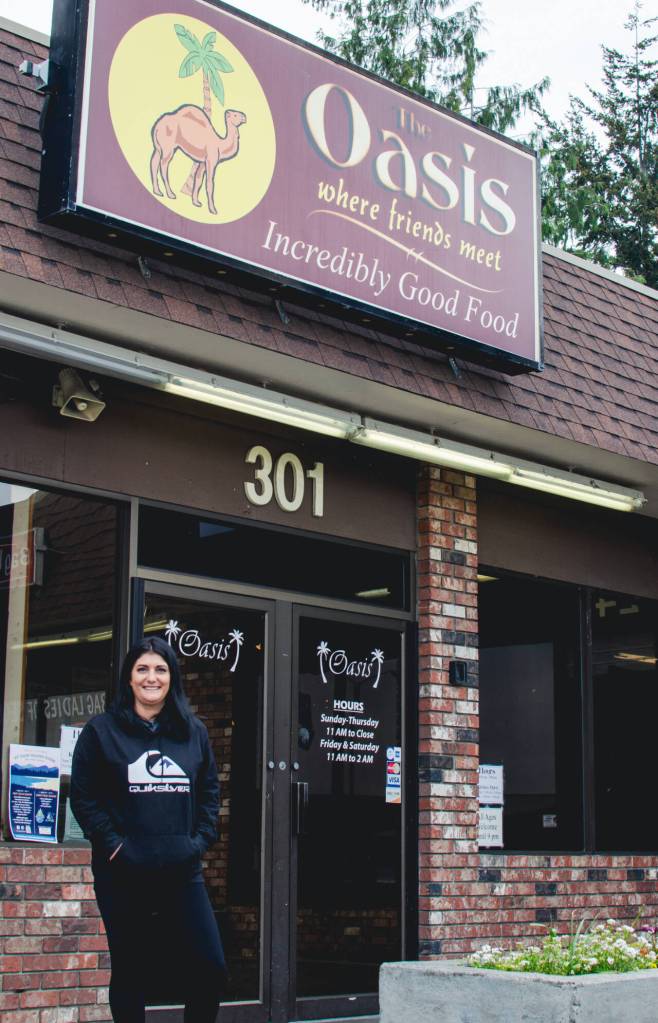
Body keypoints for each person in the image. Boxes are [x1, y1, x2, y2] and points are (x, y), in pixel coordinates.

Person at [71, 636, 225, 1023]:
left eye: (160, 669)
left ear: (172, 678)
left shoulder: (193, 732)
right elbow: (84, 798)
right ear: (129, 677)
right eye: (142, 669)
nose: (151, 677)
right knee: (132, 972)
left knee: (210, 968)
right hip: (122, 873)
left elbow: (210, 794)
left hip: (181, 871)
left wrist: (197, 843)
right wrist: (115, 846)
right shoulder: (101, 731)